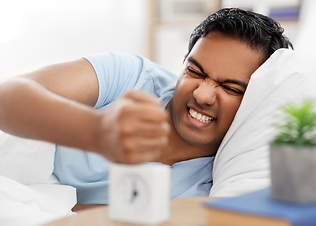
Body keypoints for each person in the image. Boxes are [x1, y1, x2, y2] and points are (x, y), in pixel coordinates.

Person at [0, 8, 293, 204]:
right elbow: (6, 97)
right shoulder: (134, 77)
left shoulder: (224, 178)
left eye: (231, 88)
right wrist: (96, 131)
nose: (203, 95)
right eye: (194, 71)